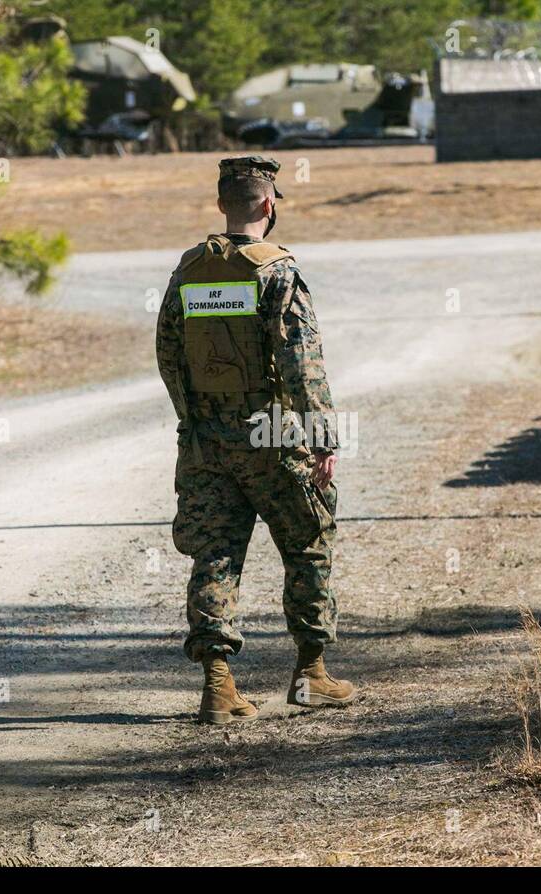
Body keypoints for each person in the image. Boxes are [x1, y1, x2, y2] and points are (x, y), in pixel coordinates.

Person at [155, 155, 356, 725]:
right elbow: (301, 364)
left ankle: (218, 686)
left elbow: (167, 354)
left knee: (215, 552)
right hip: (270, 434)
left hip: (207, 440)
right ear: (270, 206)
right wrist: (320, 437)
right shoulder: (277, 271)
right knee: (308, 539)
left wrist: (195, 420)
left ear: (222, 204)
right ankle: (311, 675)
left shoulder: (189, 270)